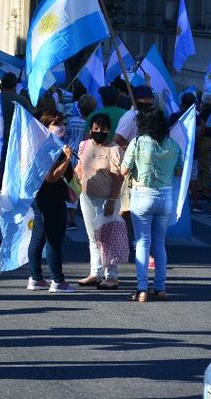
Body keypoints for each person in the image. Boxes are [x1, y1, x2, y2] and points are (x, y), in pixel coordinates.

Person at [120, 109, 182, 301]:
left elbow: (124, 170)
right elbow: (179, 171)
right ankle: (160, 287)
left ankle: (142, 288)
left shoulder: (137, 143)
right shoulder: (173, 144)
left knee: (142, 242)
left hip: (142, 194)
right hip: (165, 196)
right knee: (159, 243)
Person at [26, 110, 77, 293]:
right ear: (46, 127)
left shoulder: (49, 144)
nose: (61, 127)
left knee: (38, 237)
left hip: (43, 196)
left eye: (62, 123)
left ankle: (36, 278)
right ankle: (58, 280)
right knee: (54, 239)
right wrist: (67, 159)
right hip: (49, 196)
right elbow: (51, 177)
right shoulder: (47, 147)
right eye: (56, 124)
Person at [76, 113, 124, 290]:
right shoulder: (84, 145)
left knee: (107, 238)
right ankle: (95, 272)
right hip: (87, 197)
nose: (99, 132)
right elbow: (80, 167)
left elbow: (119, 178)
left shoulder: (114, 149)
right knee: (92, 237)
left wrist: (112, 200)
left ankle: (111, 276)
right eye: (96, 128)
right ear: (90, 129)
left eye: (103, 129)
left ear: (109, 130)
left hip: (107, 199)